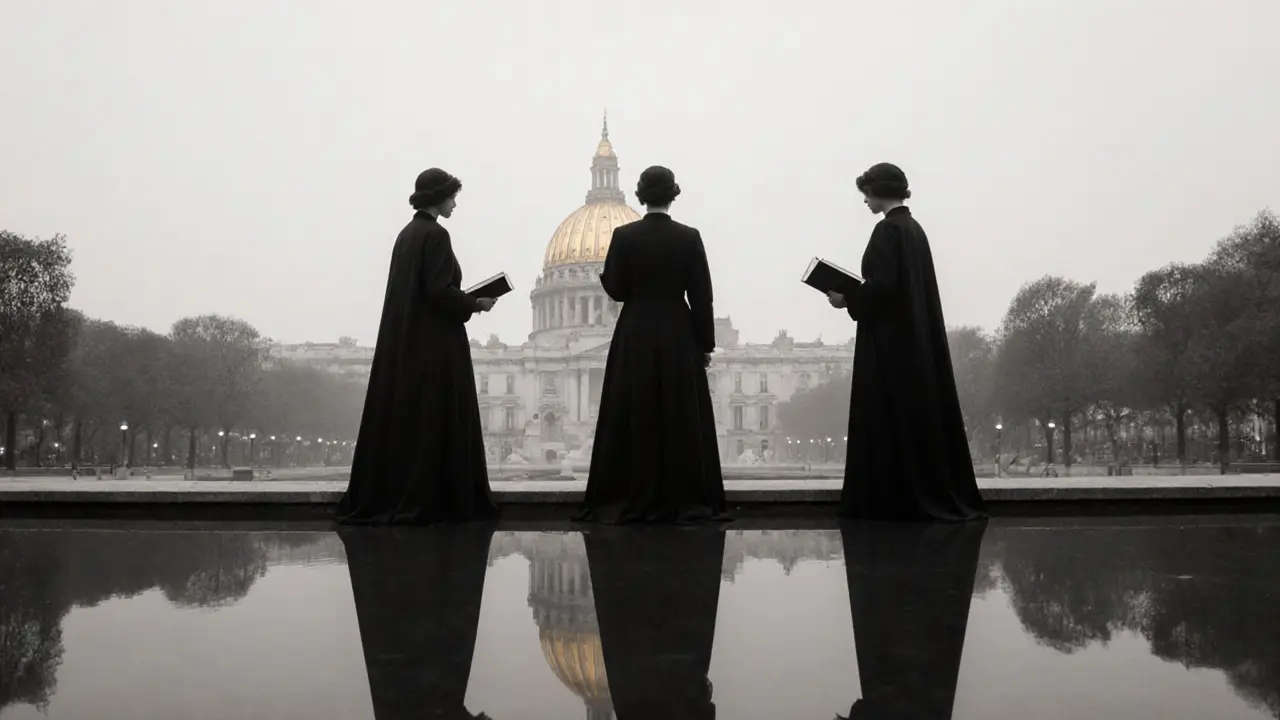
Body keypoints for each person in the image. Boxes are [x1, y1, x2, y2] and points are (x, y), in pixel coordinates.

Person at [336, 168, 499, 525]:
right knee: (436, 418)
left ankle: (404, 494)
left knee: (413, 420)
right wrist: (475, 303)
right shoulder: (437, 235)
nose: (455, 203)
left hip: (406, 341)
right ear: (439, 197)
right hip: (435, 344)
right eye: (452, 196)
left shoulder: (406, 235)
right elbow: (439, 293)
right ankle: (439, 498)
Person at [826, 163, 986, 521]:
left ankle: (888, 496)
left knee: (885, 413)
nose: (864, 200)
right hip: (914, 338)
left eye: (866, 192)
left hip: (890, 341)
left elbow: (883, 288)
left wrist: (847, 299)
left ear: (877, 190)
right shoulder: (914, 230)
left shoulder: (886, 231)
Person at [576, 166, 726, 524]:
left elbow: (616, 289)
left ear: (641, 195)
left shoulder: (624, 236)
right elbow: (702, 297)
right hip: (678, 330)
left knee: (633, 409)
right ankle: (683, 497)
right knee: (680, 412)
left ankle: (631, 494)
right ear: (673, 195)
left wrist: (607, 274)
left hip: (636, 331)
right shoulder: (689, 237)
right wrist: (704, 344)